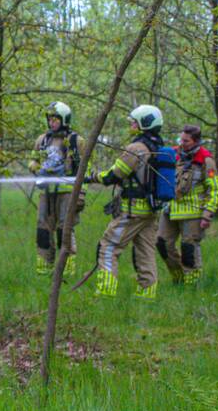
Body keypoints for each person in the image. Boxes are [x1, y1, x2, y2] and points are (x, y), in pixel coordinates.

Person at [85, 104, 165, 299]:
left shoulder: (136, 148)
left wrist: (93, 176)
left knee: (108, 247)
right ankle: (147, 295)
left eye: (134, 122)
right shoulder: (158, 148)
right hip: (151, 211)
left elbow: (114, 175)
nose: (131, 125)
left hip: (132, 211)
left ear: (145, 123)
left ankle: (105, 292)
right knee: (146, 252)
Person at [157, 124, 218, 285]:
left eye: (186, 141)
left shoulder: (206, 160)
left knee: (189, 250)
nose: (182, 143)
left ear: (196, 141)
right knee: (162, 244)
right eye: (181, 139)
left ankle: (191, 285)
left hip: (193, 213)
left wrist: (207, 214)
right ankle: (178, 279)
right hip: (170, 210)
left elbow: (213, 189)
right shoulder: (173, 154)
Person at [28, 101, 85, 277]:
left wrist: (81, 195)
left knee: (64, 229)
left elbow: (85, 170)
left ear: (64, 119)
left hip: (67, 193)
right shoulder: (42, 140)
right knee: (42, 229)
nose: (52, 123)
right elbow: (34, 159)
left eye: (55, 119)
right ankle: (44, 268)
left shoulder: (76, 141)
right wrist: (34, 166)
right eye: (50, 119)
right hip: (46, 192)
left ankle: (66, 270)